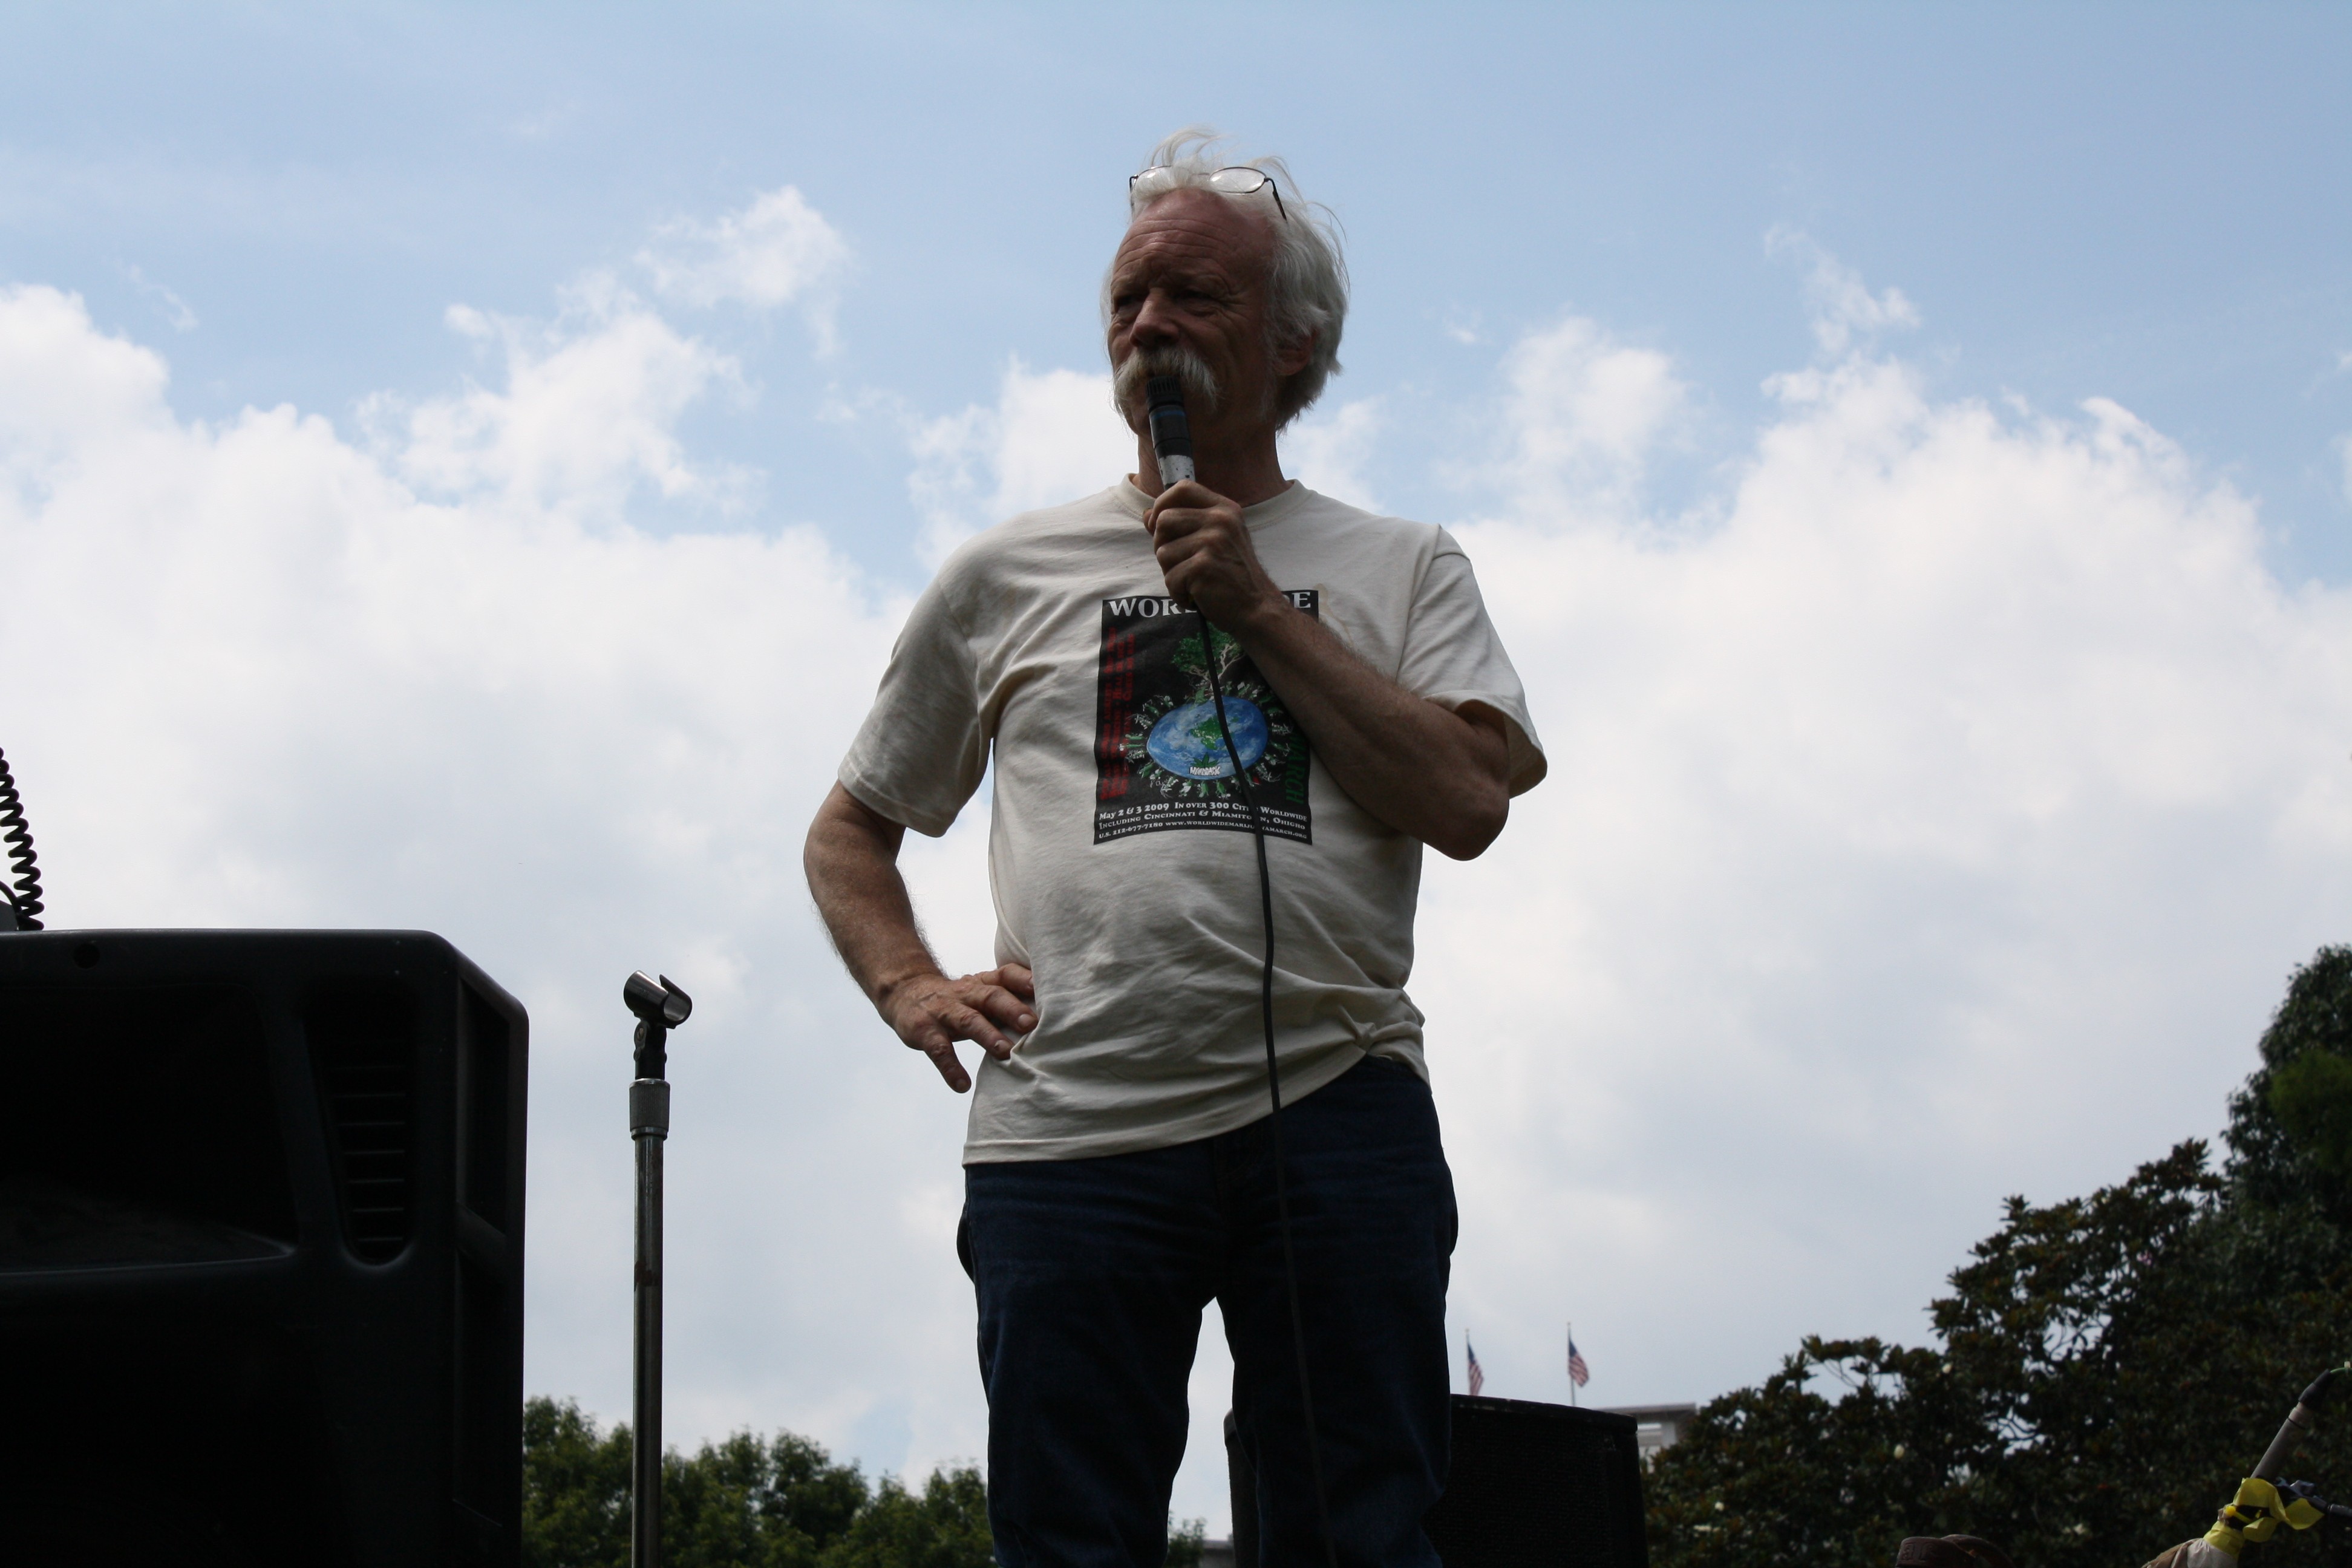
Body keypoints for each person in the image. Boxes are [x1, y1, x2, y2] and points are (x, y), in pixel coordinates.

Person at [805, 129, 1546, 1568]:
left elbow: (1467, 802)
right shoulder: (1002, 575)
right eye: (1128, 302)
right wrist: (911, 987)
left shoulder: (1402, 565)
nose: (1148, 326)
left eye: (1195, 298)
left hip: (1336, 1111)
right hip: (1068, 1134)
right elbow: (852, 829)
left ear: (1295, 344)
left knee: (1361, 1535)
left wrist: (1262, 608)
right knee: (1069, 1539)